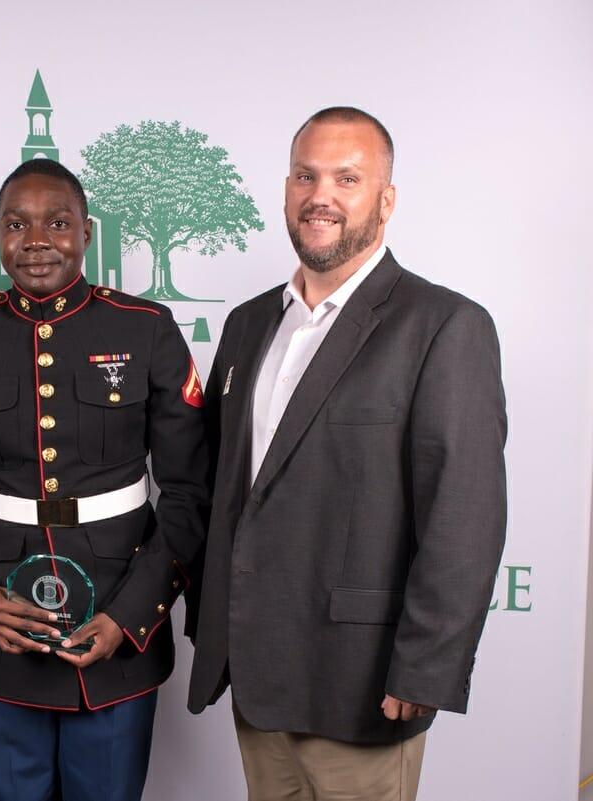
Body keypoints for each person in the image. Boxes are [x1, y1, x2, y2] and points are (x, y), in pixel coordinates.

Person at [185, 107, 507, 801]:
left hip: (361, 682)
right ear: (286, 190)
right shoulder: (247, 324)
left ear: (386, 200)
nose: (320, 195)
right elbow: (225, 493)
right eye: (305, 176)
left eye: (346, 178)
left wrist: (425, 668)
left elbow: (465, 517)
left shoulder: (445, 326)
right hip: (254, 672)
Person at [0, 158, 210, 801]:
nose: (36, 240)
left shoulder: (145, 328)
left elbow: (188, 493)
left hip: (117, 619)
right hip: (0, 625)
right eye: (17, 224)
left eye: (58, 223)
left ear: (87, 233)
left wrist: (131, 615)